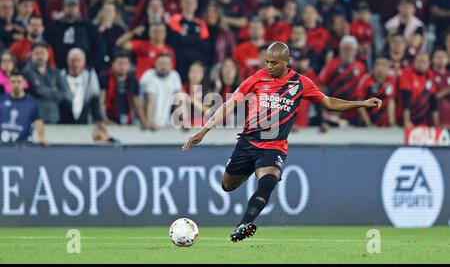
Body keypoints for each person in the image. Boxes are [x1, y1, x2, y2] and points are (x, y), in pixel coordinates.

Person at [182, 42, 381, 242]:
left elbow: (329, 102)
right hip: (248, 143)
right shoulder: (257, 78)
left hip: (274, 147)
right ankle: (252, 169)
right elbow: (230, 103)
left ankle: (243, 224)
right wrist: (204, 130)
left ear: (287, 62)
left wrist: (361, 103)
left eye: (274, 63)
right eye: (267, 61)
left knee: (268, 182)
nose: (269, 66)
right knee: (227, 186)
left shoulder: (301, 83)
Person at [23, 42, 70, 124]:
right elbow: (38, 90)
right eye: (37, 53)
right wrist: (54, 90)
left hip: (53, 115)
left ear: (48, 55)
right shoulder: (27, 71)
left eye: (42, 53)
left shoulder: (55, 71)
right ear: (31, 55)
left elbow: (65, 93)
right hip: (34, 116)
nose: (40, 56)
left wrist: (48, 92)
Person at [99, 51, 146, 127]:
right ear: (113, 64)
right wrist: (105, 119)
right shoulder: (105, 77)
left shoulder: (133, 80)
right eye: (119, 63)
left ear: (129, 66)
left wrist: (143, 121)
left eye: (125, 63)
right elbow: (101, 101)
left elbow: (137, 103)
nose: (122, 66)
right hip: (109, 119)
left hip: (127, 119)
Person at [0, 70, 47, 144]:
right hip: (3, 145)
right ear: (9, 82)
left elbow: (38, 122)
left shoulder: (32, 103)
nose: (16, 85)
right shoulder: (1, 100)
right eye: (13, 82)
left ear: (24, 82)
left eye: (19, 82)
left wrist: (42, 138)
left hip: (24, 146)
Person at [139, 53, 182, 130]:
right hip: (145, 124)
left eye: (166, 64)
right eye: (160, 63)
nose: (163, 66)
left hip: (165, 123)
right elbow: (148, 100)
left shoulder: (174, 76)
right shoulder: (149, 75)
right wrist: (148, 122)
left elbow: (178, 99)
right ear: (155, 64)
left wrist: (181, 120)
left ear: (171, 65)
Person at [59, 48, 102, 124]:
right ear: (67, 61)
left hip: (85, 123)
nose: (75, 64)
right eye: (72, 60)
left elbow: (95, 99)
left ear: (84, 62)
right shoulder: (59, 77)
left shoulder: (90, 78)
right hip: (63, 123)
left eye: (78, 61)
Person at [356, 56, 397, 127]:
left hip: (384, 125)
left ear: (388, 68)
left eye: (383, 65)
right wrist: (368, 124)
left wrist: (391, 123)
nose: (380, 68)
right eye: (377, 65)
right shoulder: (365, 80)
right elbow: (359, 102)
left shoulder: (391, 80)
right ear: (373, 67)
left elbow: (391, 101)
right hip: (367, 124)